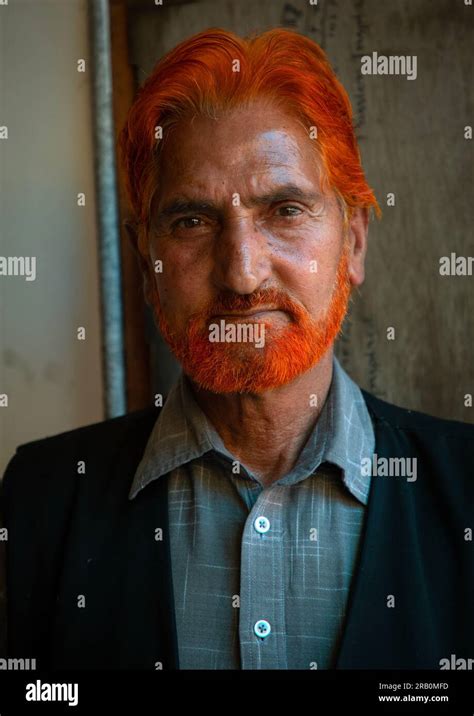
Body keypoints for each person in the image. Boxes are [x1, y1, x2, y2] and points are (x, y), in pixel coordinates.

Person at [1, 28, 473, 671]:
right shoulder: (40, 501)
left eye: (284, 210)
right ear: (147, 263)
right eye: (192, 221)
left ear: (354, 243)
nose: (242, 275)